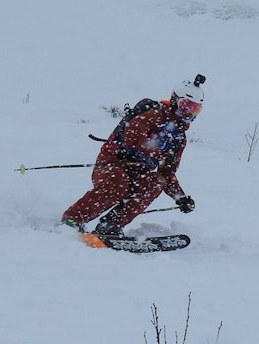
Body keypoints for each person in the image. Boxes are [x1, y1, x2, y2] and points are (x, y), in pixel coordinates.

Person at [61, 76, 203, 241]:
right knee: (118, 182)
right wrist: (155, 153)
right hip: (114, 161)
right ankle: (73, 219)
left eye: (195, 109)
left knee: (157, 181)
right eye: (185, 105)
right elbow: (132, 136)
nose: (188, 112)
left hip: (139, 171)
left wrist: (180, 197)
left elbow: (167, 171)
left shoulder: (179, 138)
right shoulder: (154, 114)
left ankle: (111, 225)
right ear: (174, 100)